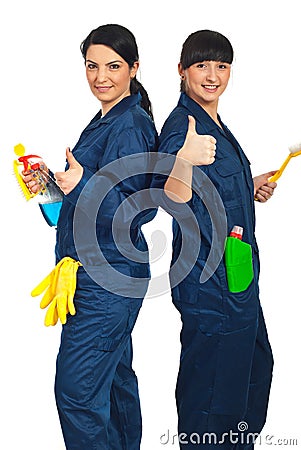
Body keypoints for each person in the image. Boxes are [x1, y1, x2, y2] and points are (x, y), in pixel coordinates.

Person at [23, 24, 158, 449]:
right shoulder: (106, 120)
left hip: (108, 280)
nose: (101, 77)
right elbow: (88, 201)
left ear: (134, 68)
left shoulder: (131, 125)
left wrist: (81, 184)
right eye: (92, 66)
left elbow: (143, 206)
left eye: (113, 66)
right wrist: (50, 187)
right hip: (92, 274)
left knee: (77, 393)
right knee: (113, 385)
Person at [154, 30, 276, 449]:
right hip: (212, 285)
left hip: (237, 276)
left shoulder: (215, 122)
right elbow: (172, 195)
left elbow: (214, 190)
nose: (212, 76)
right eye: (202, 65)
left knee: (253, 373)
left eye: (221, 66)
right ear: (181, 70)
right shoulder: (183, 127)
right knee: (213, 396)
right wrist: (184, 160)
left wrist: (248, 185)